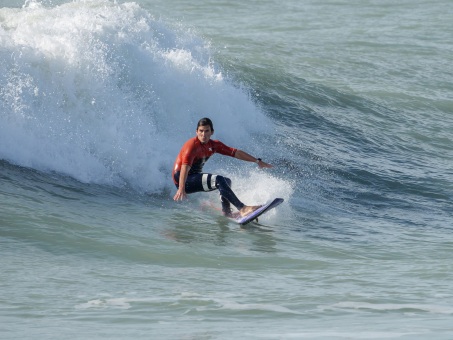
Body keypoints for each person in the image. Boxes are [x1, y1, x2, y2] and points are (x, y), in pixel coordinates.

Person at [172, 117, 273, 218]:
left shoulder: (214, 145)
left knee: (226, 181)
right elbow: (185, 168)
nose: (203, 134)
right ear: (196, 132)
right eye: (201, 131)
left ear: (212, 132)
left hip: (193, 176)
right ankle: (243, 208)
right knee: (219, 180)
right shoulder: (192, 146)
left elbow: (235, 153)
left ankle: (227, 212)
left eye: (207, 131)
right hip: (183, 179)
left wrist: (257, 161)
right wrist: (181, 188)